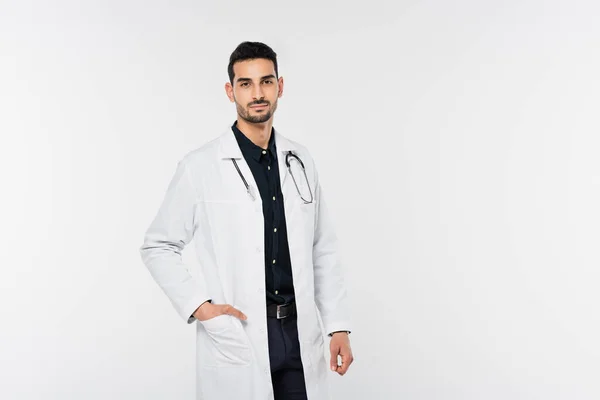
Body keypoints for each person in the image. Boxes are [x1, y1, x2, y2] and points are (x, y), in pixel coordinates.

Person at [139, 41, 353, 400]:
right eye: (245, 83)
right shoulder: (200, 166)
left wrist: (338, 327)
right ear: (230, 91)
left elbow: (322, 248)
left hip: (299, 332)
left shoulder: (300, 159)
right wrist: (199, 306)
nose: (257, 93)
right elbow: (158, 246)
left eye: (266, 82)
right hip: (239, 333)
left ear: (280, 87)